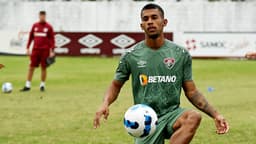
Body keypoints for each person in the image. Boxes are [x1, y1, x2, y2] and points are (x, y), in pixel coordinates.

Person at [93, 3, 229, 144]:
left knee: (193, 117)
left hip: (172, 115)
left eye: (154, 17)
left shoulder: (181, 54)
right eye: (145, 19)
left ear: (164, 22)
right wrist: (105, 103)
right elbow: (116, 84)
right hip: (145, 119)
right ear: (142, 26)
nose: (150, 22)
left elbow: (192, 92)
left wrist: (216, 115)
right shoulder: (131, 56)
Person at [20, 11, 55, 92]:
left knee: (43, 67)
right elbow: (31, 37)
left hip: (45, 51)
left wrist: (52, 50)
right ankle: (27, 86)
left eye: (44, 16)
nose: (42, 17)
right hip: (35, 50)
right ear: (39, 16)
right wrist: (28, 47)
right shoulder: (35, 26)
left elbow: (52, 39)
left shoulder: (49, 27)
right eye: (41, 16)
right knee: (31, 67)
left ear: (45, 16)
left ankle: (42, 85)